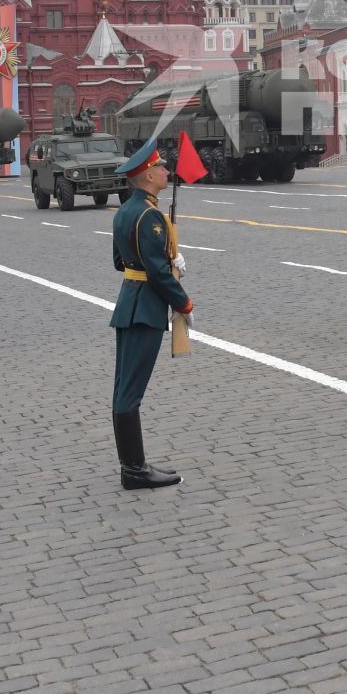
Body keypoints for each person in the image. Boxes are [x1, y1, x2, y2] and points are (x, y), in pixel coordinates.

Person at [107, 144, 191, 490]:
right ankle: (135, 470)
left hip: (129, 302)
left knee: (123, 388)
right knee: (130, 392)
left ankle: (132, 466)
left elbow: (119, 262)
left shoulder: (125, 211)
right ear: (148, 175)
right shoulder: (150, 216)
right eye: (161, 168)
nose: (167, 172)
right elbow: (156, 273)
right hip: (146, 309)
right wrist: (183, 301)